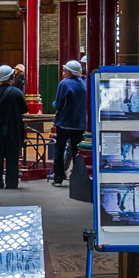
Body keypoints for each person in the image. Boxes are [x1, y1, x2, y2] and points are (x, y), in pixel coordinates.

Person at [0, 63, 26, 189]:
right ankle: (12, 183)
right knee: (12, 158)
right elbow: (24, 109)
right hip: (13, 129)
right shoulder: (17, 93)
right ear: (11, 77)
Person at [51, 56, 89, 185]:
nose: (63, 72)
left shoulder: (64, 83)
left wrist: (54, 105)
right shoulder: (83, 83)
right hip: (79, 123)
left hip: (64, 122)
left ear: (70, 72)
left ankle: (58, 178)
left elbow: (59, 103)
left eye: (65, 70)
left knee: (60, 149)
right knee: (76, 151)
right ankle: (78, 177)